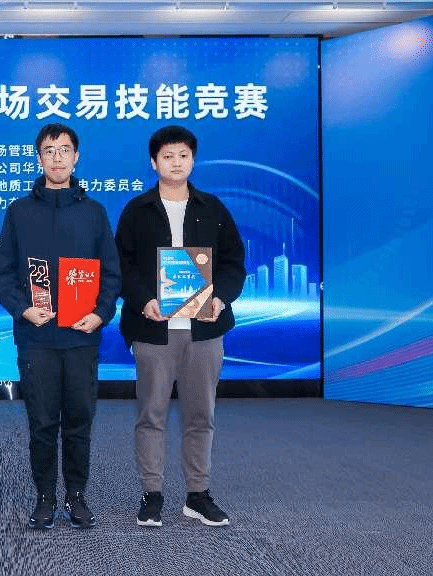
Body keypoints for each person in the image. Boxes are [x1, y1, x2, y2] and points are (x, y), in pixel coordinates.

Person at [0, 123, 121, 530]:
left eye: (65, 149)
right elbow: (2, 274)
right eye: (49, 150)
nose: (57, 157)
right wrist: (23, 310)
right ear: (39, 158)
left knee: (80, 421)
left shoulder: (94, 212)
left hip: (82, 336)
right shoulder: (19, 211)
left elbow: (111, 274)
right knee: (43, 423)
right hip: (36, 337)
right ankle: (45, 496)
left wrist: (100, 313)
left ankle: (76, 496)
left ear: (76, 157)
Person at [114, 125, 245, 528]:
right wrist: (144, 300)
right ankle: (152, 494)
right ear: (153, 162)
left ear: (193, 160)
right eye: (167, 156)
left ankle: (198, 494)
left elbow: (233, 263)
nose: (176, 162)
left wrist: (221, 296)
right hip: (153, 329)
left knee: (201, 414)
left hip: (204, 329)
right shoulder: (137, 211)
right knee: (151, 414)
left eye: (183, 155)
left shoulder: (213, 208)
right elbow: (123, 266)